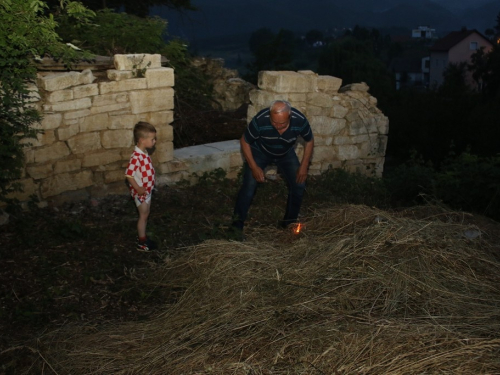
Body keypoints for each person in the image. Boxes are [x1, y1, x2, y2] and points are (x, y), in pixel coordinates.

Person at [232, 100, 314, 235]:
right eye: (274, 122)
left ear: (290, 116)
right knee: (248, 188)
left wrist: (304, 166)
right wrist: (254, 167)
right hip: (260, 152)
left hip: (286, 154)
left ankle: (289, 225)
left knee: (299, 184)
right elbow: (245, 141)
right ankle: (235, 228)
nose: (277, 127)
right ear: (270, 116)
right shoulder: (261, 119)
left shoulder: (299, 120)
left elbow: (309, 140)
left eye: (282, 124)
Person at [125, 122, 157, 251]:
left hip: (147, 191)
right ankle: (142, 243)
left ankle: (143, 238)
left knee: (146, 213)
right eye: (152, 139)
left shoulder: (143, 153)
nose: (154, 141)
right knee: (143, 216)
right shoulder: (136, 157)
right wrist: (138, 188)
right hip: (141, 193)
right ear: (142, 140)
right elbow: (128, 174)